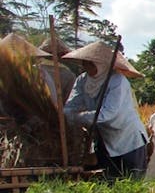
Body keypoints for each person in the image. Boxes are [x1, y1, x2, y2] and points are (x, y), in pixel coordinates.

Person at [61, 40, 149, 178]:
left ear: (101, 64)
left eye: (91, 63)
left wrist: (78, 117)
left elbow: (107, 114)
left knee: (133, 182)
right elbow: (70, 107)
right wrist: (68, 115)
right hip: (103, 140)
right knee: (110, 182)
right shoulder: (82, 80)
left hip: (127, 139)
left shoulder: (116, 81)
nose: (86, 66)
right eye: (85, 62)